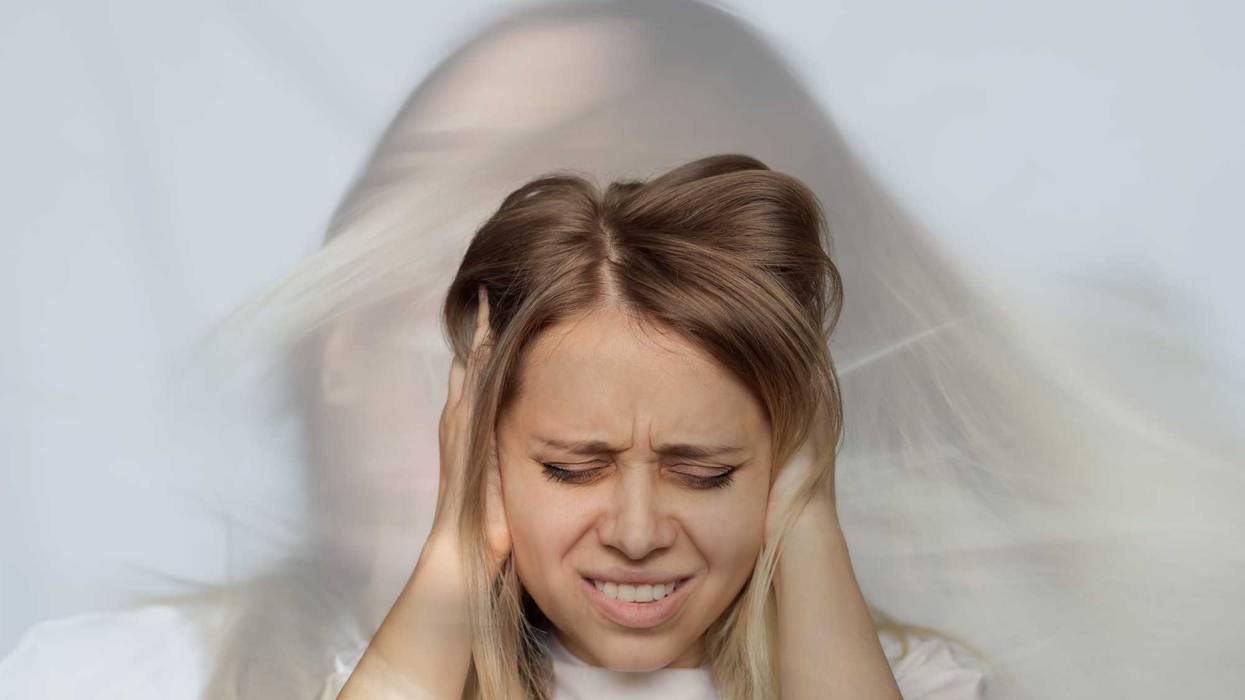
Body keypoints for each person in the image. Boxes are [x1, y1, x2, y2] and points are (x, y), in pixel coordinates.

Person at [331, 153, 987, 699]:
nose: (637, 535)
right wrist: (457, 549)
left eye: (703, 473)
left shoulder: (921, 684)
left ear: (786, 453)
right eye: (572, 469)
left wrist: (807, 519)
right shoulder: (413, 675)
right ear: (488, 454)